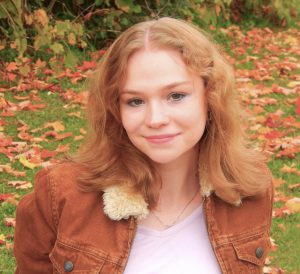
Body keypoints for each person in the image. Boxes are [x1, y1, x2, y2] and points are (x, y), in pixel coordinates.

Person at [14, 17, 273, 274]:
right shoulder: (60, 196)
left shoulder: (249, 188)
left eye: (176, 96)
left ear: (211, 97)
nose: (155, 119)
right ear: (116, 109)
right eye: (135, 101)